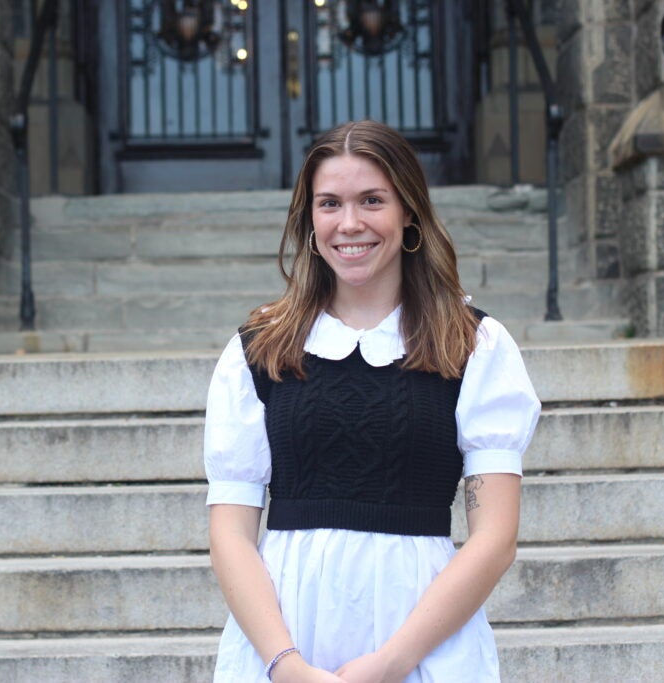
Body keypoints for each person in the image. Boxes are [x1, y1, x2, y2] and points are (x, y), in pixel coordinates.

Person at [203, 120, 541, 682]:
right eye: (329, 203)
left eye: (372, 201)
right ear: (309, 219)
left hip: (421, 640)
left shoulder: (473, 346)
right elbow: (230, 534)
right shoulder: (259, 350)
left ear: (409, 211)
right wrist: (285, 666)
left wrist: (392, 663)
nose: (350, 223)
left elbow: (495, 537)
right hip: (286, 639)